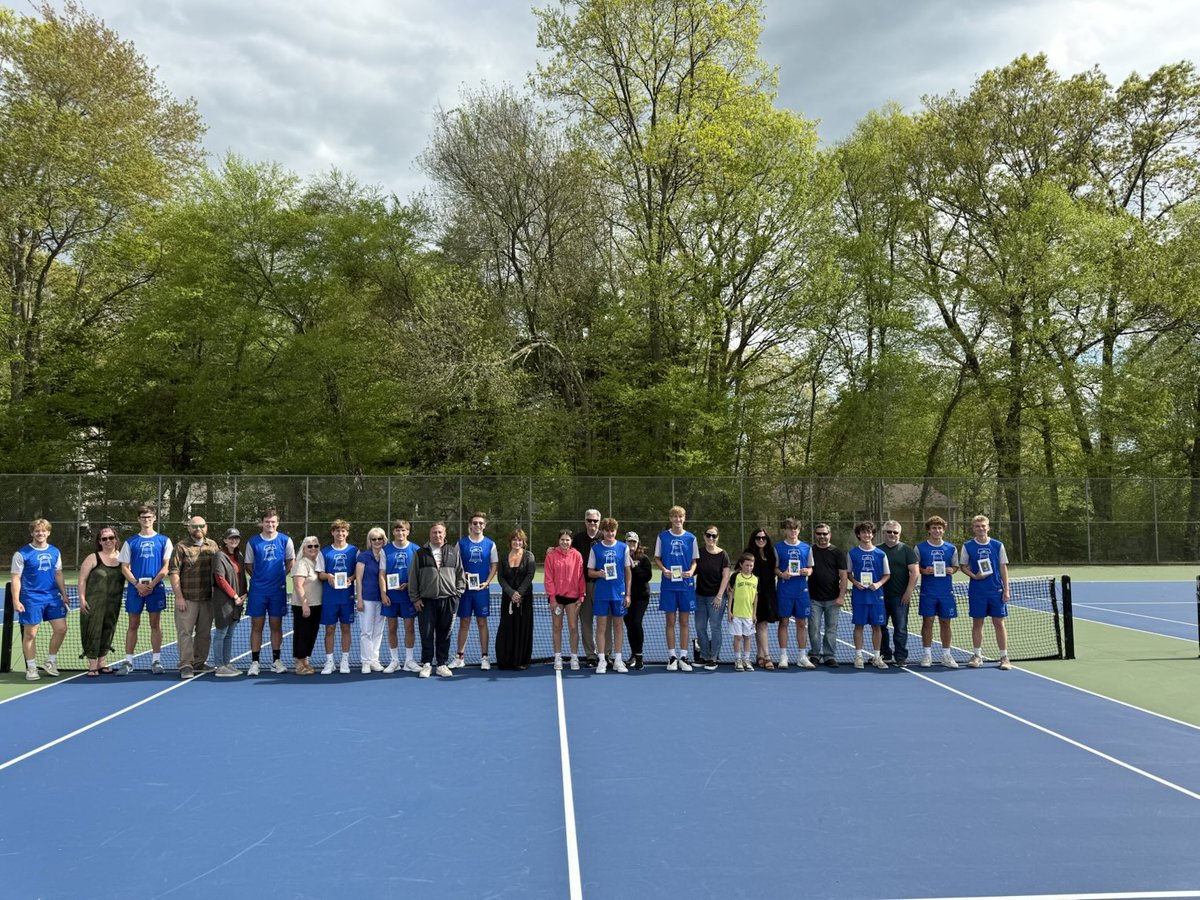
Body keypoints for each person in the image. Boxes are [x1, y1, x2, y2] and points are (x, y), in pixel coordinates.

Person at [116, 503, 172, 675]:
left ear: (154, 518)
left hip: (156, 588)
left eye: (149, 517)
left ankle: (156, 661)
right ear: (138, 519)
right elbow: (124, 567)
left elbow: (166, 567)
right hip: (136, 589)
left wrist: (152, 584)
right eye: (143, 517)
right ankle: (128, 661)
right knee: (133, 624)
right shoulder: (130, 542)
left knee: (155, 623)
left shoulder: (164, 540)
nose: (146, 520)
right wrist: (137, 584)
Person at [11, 518, 70, 681]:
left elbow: (58, 574)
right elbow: (16, 578)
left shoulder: (55, 552)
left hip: (52, 597)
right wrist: (16, 600)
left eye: (43, 530)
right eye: (37, 531)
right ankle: (31, 668)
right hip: (31, 598)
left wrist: (64, 594)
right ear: (32, 533)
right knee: (30, 633)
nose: (40, 533)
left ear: (48, 533)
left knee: (61, 629)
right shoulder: (21, 554)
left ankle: (50, 661)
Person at [410, 522, 466, 678]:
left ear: (445, 534)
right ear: (430, 534)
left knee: (445, 634)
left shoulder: (453, 552)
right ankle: (427, 663)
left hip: (448, 600)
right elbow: (413, 577)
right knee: (426, 634)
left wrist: (457, 594)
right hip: (426, 601)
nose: (437, 535)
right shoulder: (420, 553)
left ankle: (442, 664)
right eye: (434, 532)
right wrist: (415, 598)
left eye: (440, 532)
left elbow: (460, 574)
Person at [244, 507, 295, 676]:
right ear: (262, 523)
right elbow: (248, 565)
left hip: (277, 591)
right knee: (256, 626)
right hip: (258, 591)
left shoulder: (285, 540)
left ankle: (276, 661)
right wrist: (260, 579)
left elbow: (291, 562)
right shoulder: (253, 542)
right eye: (267, 522)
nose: (270, 525)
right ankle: (255, 663)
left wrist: (279, 577)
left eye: (273, 522)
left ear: (277, 523)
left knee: (276, 625)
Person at [169, 516, 219, 679]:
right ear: (189, 528)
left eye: (201, 526)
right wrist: (179, 597)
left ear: (206, 527)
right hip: (187, 599)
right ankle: (186, 664)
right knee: (185, 633)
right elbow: (174, 573)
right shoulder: (181, 547)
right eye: (195, 526)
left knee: (204, 633)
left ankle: (199, 662)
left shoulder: (213, 546)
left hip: (207, 599)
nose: (198, 529)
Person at [960, 514, 1012, 670]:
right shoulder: (968, 546)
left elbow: (1003, 567)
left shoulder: (998, 545)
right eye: (977, 526)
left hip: (996, 590)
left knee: (999, 623)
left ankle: (1004, 657)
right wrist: (974, 576)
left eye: (983, 526)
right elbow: (963, 566)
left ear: (988, 527)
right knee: (977, 623)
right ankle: (977, 655)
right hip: (977, 591)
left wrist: (1006, 590)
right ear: (973, 528)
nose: (981, 528)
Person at [451, 512, 497, 670]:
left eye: (480, 523)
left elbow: (494, 565)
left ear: (484, 525)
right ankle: (459, 657)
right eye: (475, 523)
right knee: (464, 622)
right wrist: (462, 574)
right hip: (465, 590)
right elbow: (454, 565)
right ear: (470, 525)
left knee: (482, 622)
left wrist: (487, 582)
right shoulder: (461, 544)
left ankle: (485, 657)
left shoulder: (490, 544)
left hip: (481, 591)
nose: (478, 525)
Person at [655, 505, 698, 671]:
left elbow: (694, 561)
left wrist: (691, 572)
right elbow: (657, 558)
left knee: (685, 622)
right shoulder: (662, 537)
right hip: (668, 585)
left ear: (684, 518)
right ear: (670, 518)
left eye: (680, 517)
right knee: (670, 621)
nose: (677, 519)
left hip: (686, 586)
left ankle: (684, 657)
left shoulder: (691, 538)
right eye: (674, 516)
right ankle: (672, 657)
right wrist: (664, 570)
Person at [77, 527, 123, 676]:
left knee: (109, 629)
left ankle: (102, 662)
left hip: (114, 602)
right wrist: (82, 599)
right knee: (92, 630)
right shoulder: (92, 558)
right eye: (104, 539)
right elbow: (82, 580)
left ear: (116, 539)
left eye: (111, 538)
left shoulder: (123, 558)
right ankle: (92, 664)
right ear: (99, 542)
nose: (108, 541)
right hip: (94, 601)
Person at [588, 517, 631, 673]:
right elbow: (590, 572)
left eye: (612, 531)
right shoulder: (595, 549)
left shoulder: (623, 547)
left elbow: (628, 572)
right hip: (601, 593)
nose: (610, 534)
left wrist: (628, 594)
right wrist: (599, 574)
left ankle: (618, 660)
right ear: (603, 531)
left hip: (619, 593)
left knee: (618, 626)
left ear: (616, 531)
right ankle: (602, 660)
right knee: (601, 626)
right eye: (607, 531)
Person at [916, 515, 960, 668]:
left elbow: (955, 566)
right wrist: (923, 570)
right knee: (928, 621)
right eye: (934, 528)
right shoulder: (920, 548)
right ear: (929, 530)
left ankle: (946, 655)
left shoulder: (951, 548)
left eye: (940, 528)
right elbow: (915, 567)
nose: (937, 530)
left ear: (943, 530)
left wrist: (952, 570)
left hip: (946, 592)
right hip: (928, 592)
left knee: (946, 622)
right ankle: (927, 655)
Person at [774, 517, 816, 669]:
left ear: (799, 530)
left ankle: (802, 656)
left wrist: (808, 572)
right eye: (790, 528)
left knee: (801, 623)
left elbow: (810, 568)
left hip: (801, 590)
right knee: (784, 622)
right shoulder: (778, 547)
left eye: (795, 528)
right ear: (785, 530)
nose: (793, 531)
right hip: (785, 590)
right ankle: (783, 656)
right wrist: (781, 574)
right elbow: (775, 568)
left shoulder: (806, 547)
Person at [379, 519, 420, 673]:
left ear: (408, 532)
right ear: (393, 532)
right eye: (397, 530)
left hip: (409, 596)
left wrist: (409, 584)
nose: (400, 533)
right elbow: (382, 574)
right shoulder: (385, 550)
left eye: (403, 530)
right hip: (391, 597)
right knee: (392, 628)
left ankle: (409, 660)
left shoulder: (416, 549)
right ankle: (394, 661)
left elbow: (419, 574)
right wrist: (383, 594)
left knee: (409, 628)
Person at [848, 521, 890, 669]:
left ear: (873, 534)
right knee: (859, 626)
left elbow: (887, 575)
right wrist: (855, 582)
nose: (867, 535)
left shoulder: (881, 554)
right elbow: (849, 573)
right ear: (858, 535)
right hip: (859, 596)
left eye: (869, 532)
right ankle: (859, 656)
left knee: (877, 627)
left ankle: (877, 657)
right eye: (864, 532)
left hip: (876, 596)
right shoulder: (852, 553)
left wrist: (878, 584)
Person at [878, 520, 919, 667]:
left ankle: (900, 656)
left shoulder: (906, 550)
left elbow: (915, 572)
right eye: (889, 532)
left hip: (900, 597)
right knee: (880, 627)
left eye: (895, 532)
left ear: (899, 534)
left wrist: (908, 592)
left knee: (900, 628)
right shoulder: (877, 550)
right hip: (880, 597)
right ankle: (885, 654)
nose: (892, 534)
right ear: (883, 533)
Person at [319, 520, 357, 675]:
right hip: (330, 598)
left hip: (347, 597)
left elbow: (358, 572)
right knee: (330, 629)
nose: (340, 534)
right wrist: (328, 576)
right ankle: (330, 662)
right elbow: (319, 574)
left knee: (346, 628)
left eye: (343, 531)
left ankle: (344, 661)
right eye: (337, 531)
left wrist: (351, 578)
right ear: (332, 532)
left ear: (347, 533)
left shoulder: (354, 551)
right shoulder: (325, 552)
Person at [544, 528, 585, 671]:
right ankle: (557, 657)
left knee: (573, 627)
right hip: (557, 598)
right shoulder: (551, 555)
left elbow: (580, 576)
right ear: (558, 540)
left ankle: (574, 657)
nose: (565, 542)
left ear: (571, 541)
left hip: (573, 598)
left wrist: (581, 595)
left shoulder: (577, 555)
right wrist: (552, 598)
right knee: (557, 627)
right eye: (562, 539)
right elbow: (548, 578)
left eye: (567, 540)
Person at [496, 528, 536, 670]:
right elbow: (500, 577)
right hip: (508, 599)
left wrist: (519, 593)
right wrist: (511, 593)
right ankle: (506, 660)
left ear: (523, 542)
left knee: (523, 627)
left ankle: (521, 661)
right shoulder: (503, 557)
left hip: (524, 599)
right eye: (514, 540)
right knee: (506, 627)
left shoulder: (529, 556)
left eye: (519, 540)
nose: (517, 542)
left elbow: (530, 575)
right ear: (510, 541)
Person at [808, 523, 847, 667]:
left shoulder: (837, 553)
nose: (822, 536)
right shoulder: (809, 551)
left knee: (831, 629)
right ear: (815, 535)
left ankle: (829, 656)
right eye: (819, 534)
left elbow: (843, 576)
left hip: (833, 599)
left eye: (824, 534)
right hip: (813, 598)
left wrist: (841, 596)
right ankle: (815, 654)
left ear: (829, 535)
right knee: (813, 629)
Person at [211, 527, 247, 677]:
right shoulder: (219, 556)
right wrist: (234, 596)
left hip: (237, 601)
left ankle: (226, 663)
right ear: (225, 540)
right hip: (223, 600)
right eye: (231, 538)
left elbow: (242, 577)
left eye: (236, 538)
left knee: (229, 634)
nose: (234, 540)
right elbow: (220, 579)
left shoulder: (239, 556)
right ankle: (219, 666)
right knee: (221, 632)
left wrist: (244, 594)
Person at [694, 525, 731, 670]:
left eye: (714, 536)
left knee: (715, 627)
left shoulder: (723, 555)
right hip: (700, 597)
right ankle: (704, 656)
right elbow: (692, 570)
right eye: (708, 535)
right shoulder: (699, 553)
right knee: (700, 627)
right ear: (704, 537)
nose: (711, 538)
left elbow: (726, 576)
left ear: (717, 538)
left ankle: (713, 658)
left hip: (716, 598)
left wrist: (719, 596)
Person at [744, 528, 778, 669]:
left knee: (761, 624)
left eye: (763, 538)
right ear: (754, 539)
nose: (761, 540)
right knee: (760, 624)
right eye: (758, 538)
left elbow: (775, 571)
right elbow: (741, 571)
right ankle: (767, 656)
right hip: (754, 594)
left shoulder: (771, 554)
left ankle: (760, 655)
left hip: (768, 593)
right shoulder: (749, 553)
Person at [572, 510, 603, 666]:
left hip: (604, 586)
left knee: (605, 621)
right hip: (584, 585)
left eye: (595, 520)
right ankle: (591, 655)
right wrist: (552, 549)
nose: (592, 523)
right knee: (586, 622)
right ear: (585, 521)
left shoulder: (605, 536)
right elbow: (566, 552)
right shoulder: (577, 539)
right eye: (589, 520)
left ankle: (605, 654)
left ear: (599, 521)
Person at [290, 536, 324, 675]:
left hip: (317, 605)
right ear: (303, 549)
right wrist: (305, 605)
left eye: (316, 546)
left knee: (311, 634)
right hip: (303, 606)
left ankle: (305, 661)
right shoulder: (301, 564)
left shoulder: (318, 563)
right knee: (302, 634)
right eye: (309, 546)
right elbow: (298, 586)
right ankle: (299, 664)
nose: (313, 548)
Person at [356, 527, 387, 674]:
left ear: (383, 540)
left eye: (379, 538)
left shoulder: (386, 556)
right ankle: (366, 661)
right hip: (367, 599)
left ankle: (374, 660)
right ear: (370, 541)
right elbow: (358, 579)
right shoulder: (363, 557)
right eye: (374, 539)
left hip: (382, 599)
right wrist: (359, 599)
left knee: (378, 631)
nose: (377, 541)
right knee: (366, 631)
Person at [625, 532, 653, 670]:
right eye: (629, 542)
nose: (631, 545)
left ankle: (639, 656)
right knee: (630, 625)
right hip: (626, 597)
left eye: (634, 542)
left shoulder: (643, 558)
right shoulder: (621, 557)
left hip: (641, 597)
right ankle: (633, 654)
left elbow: (647, 576)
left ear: (637, 544)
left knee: (636, 622)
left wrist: (634, 567)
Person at [728, 553, 758, 671]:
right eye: (746, 565)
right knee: (738, 637)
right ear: (741, 564)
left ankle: (746, 659)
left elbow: (756, 597)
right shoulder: (736, 576)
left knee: (748, 637)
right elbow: (731, 594)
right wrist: (729, 611)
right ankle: (738, 660)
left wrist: (754, 614)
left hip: (748, 615)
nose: (749, 568)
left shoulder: (755, 579)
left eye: (751, 565)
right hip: (736, 614)